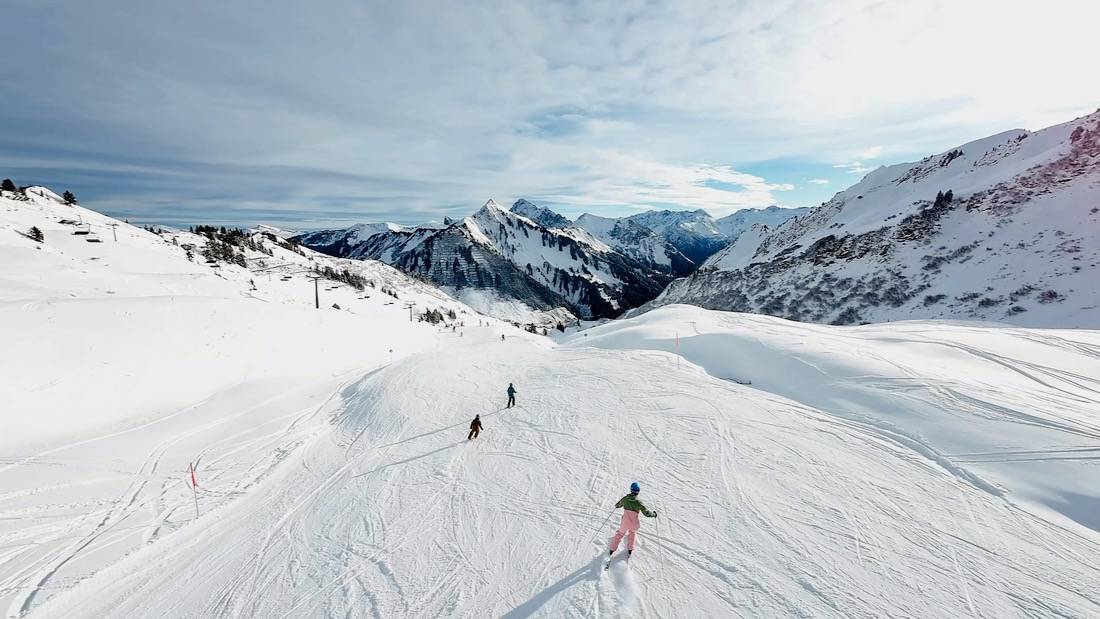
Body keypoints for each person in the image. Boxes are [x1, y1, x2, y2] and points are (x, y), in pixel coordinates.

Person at [609, 482, 657, 557]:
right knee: (632, 533)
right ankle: (630, 550)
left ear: (631, 490)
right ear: (638, 491)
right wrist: (654, 514)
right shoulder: (639, 502)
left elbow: (618, 505)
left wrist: (617, 505)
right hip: (634, 523)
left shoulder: (625, 499)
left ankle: (612, 549)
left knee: (620, 533)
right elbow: (646, 513)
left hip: (625, 522)